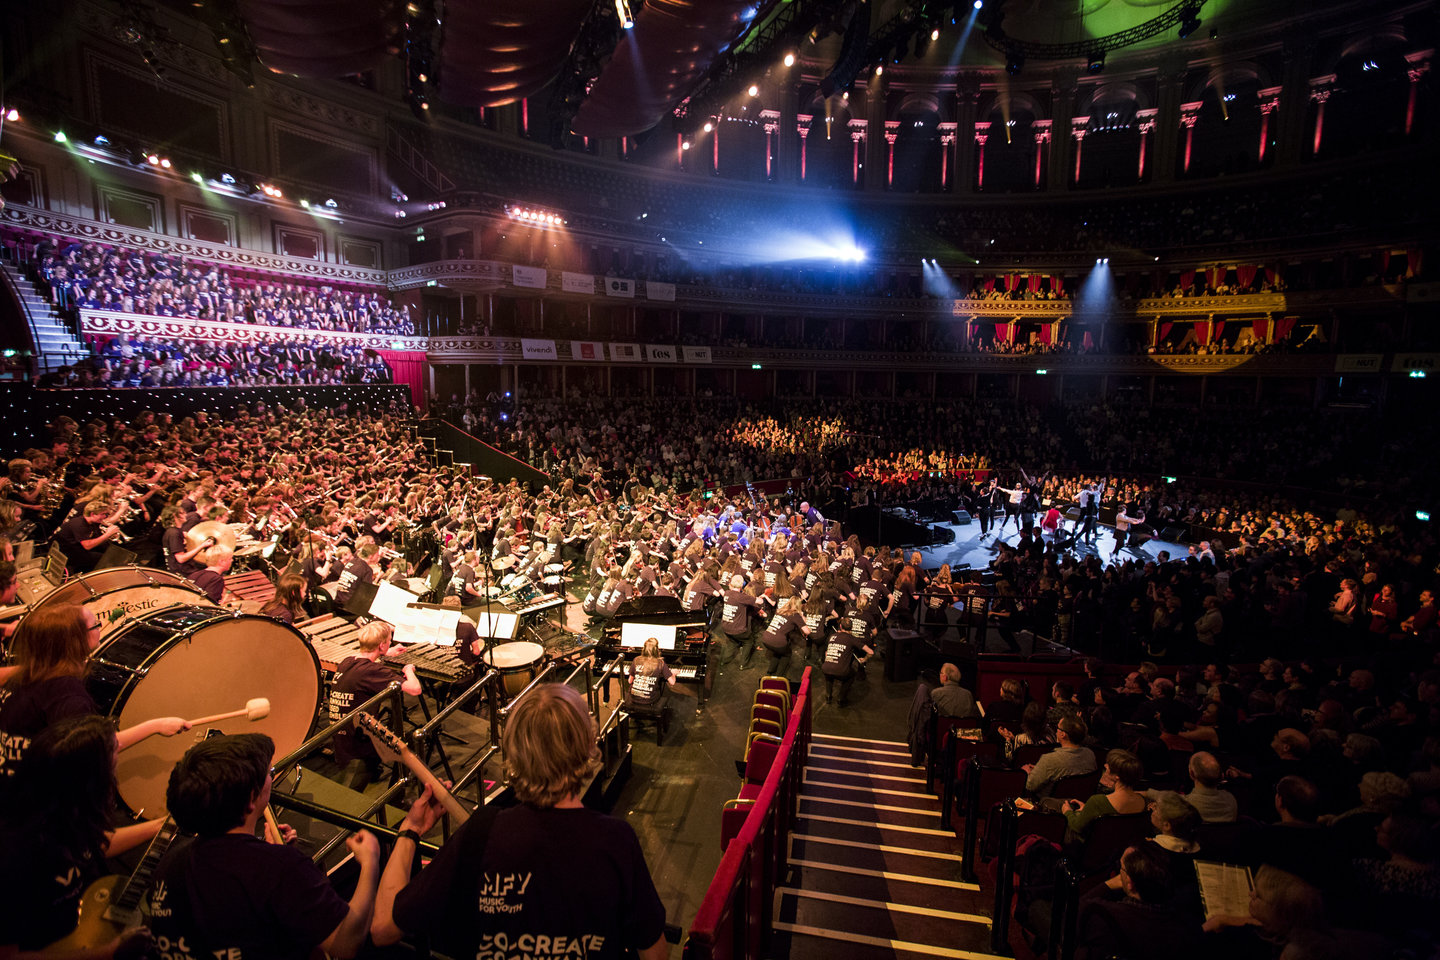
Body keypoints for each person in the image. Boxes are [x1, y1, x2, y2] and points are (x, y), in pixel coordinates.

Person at [370, 683, 668, 960]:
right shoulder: (615, 840)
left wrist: (409, 832)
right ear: (587, 747)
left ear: (513, 752)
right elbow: (653, 950)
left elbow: (383, 928)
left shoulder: (482, 832)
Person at [148, 732, 382, 959]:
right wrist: (370, 862)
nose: (272, 777)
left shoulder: (168, 865)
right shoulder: (278, 868)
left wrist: (274, 858)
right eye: (268, 773)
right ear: (251, 798)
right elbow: (344, 943)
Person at [0, 714, 165, 955]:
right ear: (90, 782)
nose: (115, 773)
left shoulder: (54, 810)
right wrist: (110, 951)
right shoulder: (16, 856)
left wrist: (159, 826)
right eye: (112, 764)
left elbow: (89, 847)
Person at [0, 604, 188, 786]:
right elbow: (96, 747)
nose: (100, 628)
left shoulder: (21, 676)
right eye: (95, 625)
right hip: (39, 802)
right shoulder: (65, 694)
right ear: (76, 640)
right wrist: (157, 725)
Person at [327, 620, 422, 789]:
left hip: (340, 740)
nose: (391, 642)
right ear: (381, 645)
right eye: (389, 641)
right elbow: (415, 689)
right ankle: (398, 794)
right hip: (359, 746)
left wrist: (386, 654)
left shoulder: (346, 661)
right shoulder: (373, 671)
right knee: (410, 742)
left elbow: (368, 667)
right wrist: (408, 670)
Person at [1024, 716, 1097, 797]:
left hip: (1050, 805)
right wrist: (1040, 769)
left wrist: (1027, 773)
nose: (1056, 731)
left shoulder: (1049, 760)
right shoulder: (1090, 754)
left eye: (1057, 727)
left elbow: (1030, 786)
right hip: (1082, 802)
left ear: (1063, 734)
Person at [55, 499, 123, 572]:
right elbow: (87, 546)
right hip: (64, 551)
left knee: (106, 550)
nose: (105, 517)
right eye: (103, 514)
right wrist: (107, 534)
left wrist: (110, 535)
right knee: (101, 558)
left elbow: (96, 538)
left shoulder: (93, 523)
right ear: (92, 514)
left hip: (75, 548)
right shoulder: (79, 524)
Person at [821, 624, 873, 707]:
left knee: (829, 674)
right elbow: (870, 652)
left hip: (825, 667)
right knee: (851, 675)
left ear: (841, 626)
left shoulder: (832, 636)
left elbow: (826, 653)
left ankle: (828, 696)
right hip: (840, 670)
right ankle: (841, 698)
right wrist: (864, 659)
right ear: (852, 628)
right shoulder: (852, 639)